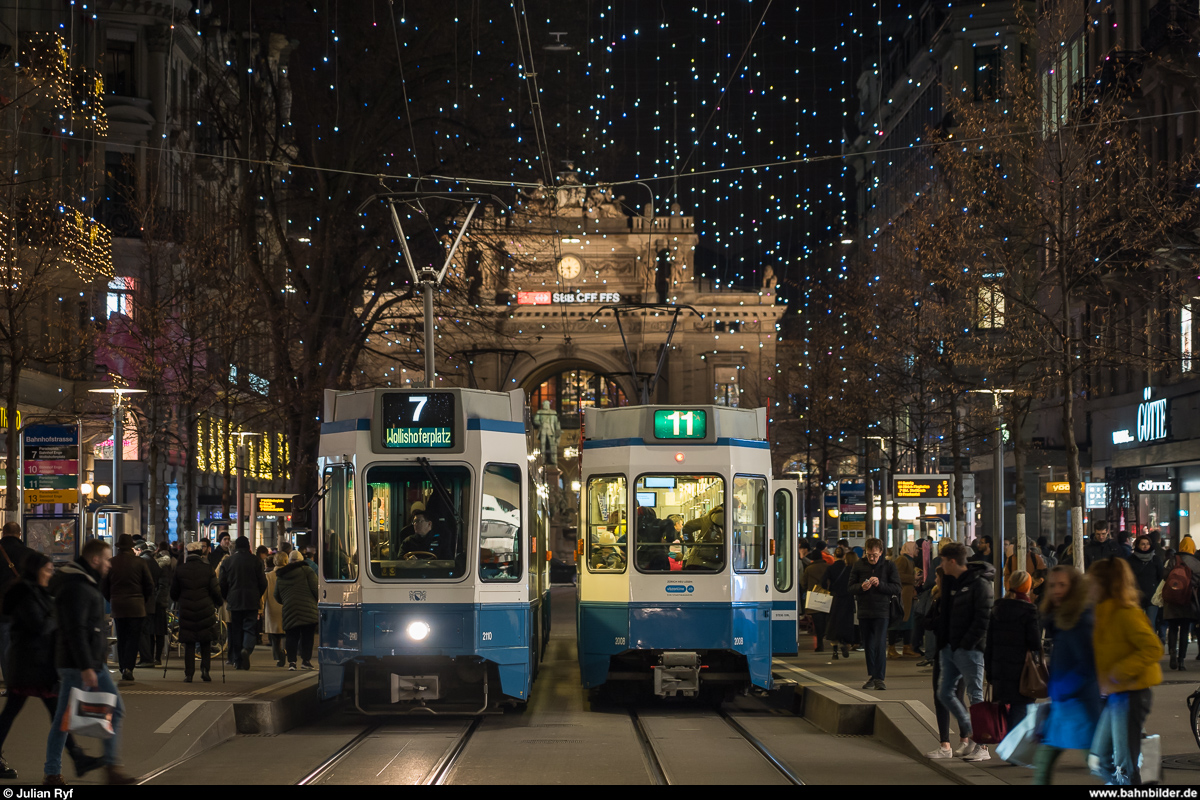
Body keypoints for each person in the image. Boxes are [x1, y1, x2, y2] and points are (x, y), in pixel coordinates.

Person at [44, 538, 135, 785]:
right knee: (65, 718)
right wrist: (86, 666)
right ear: (95, 559)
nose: (109, 564)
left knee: (107, 710)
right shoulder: (77, 585)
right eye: (106, 559)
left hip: (90, 662)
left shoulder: (82, 581)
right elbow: (75, 629)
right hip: (79, 664)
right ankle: (55, 772)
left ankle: (110, 767)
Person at [0, 553, 99, 781]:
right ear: (37, 570)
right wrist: (59, 619)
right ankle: (77, 757)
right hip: (29, 666)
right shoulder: (25, 593)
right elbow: (38, 625)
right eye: (47, 569)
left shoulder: (36, 592)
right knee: (28, 713)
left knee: (53, 712)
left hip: (38, 665)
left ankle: (77, 757)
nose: (51, 573)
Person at [1088, 557, 1163, 786]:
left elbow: (1153, 648)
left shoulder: (1126, 613)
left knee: (1122, 763)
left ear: (1106, 584)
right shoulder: (1101, 613)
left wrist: (1118, 672)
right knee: (1104, 759)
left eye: (1093, 581)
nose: (1089, 585)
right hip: (1117, 694)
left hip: (1131, 693)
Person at [1033, 565, 1102, 784]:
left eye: (1062, 584)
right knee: (1044, 764)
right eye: (1052, 585)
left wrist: (1063, 688)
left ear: (1075, 587)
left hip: (1079, 704)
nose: (1056, 590)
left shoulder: (1080, 620)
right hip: (1065, 705)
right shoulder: (1062, 618)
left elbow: (1087, 665)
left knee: (1100, 764)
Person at [936, 541, 995, 762]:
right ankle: (972, 731)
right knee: (945, 693)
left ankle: (982, 746)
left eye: (943, 560)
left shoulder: (979, 584)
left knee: (975, 695)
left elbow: (983, 618)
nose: (941, 564)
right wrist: (945, 643)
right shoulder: (953, 581)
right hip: (951, 647)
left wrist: (967, 643)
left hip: (969, 649)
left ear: (952, 561)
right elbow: (948, 614)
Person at [984, 570, 1041, 732]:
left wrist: (989, 670)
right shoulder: (1029, 610)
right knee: (1021, 709)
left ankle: (1009, 741)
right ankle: (1015, 746)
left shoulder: (998, 608)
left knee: (1007, 708)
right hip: (1022, 670)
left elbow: (989, 643)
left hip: (999, 669)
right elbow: (1035, 643)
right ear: (1027, 587)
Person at [923, 565, 964, 760]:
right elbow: (928, 621)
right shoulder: (938, 597)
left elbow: (935, 622)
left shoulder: (948, 599)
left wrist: (937, 621)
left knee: (947, 697)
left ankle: (954, 742)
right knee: (951, 696)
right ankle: (955, 742)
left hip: (952, 652)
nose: (936, 581)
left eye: (938, 578)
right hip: (952, 652)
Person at [849, 538, 901, 690]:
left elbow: (897, 587)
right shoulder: (858, 565)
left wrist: (880, 585)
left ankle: (879, 678)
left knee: (879, 644)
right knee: (869, 645)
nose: (872, 558)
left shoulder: (889, 566)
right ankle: (872, 675)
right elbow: (850, 587)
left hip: (882, 611)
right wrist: (861, 587)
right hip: (864, 611)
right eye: (869, 554)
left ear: (881, 553)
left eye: (875, 555)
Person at [101, 533, 154, 682]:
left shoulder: (111, 563)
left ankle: (122, 666)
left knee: (122, 637)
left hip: (118, 606)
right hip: (137, 606)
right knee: (133, 638)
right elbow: (149, 585)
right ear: (131, 546)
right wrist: (143, 599)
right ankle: (129, 668)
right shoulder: (140, 562)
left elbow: (104, 587)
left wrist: (112, 599)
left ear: (118, 547)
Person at [170, 541, 222, 682]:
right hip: (205, 609)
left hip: (186, 609)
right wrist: (219, 602)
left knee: (189, 643)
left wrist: (179, 599)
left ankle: (189, 673)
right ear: (200, 554)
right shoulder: (208, 569)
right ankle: (205, 670)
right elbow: (215, 591)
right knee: (205, 641)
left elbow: (173, 593)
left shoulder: (180, 570)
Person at [219, 536, 267, 671]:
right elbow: (263, 582)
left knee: (236, 629)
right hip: (251, 599)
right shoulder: (256, 561)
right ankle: (247, 649)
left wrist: (227, 596)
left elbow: (221, 583)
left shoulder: (228, 561)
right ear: (248, 546)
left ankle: (237, 660)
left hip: (234, 600)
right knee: (249, 627)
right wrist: (257, 595)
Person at [0, 522, 33, 682]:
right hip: (25, 609)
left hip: (2, 610)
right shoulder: (29, 554)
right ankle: (24, 679)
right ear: (19, 534)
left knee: (4, 645)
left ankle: (10, 681)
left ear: (3, 533)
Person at [275, 550, 319, 670]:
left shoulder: (281, 575)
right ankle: (305, 661)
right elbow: (316, 589)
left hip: (289, 609)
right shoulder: (307, 571)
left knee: (291, 636)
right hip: (308, 609)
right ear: (301, 560)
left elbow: (276, 595)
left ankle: (292, 663)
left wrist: (286, 601)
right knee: (307, 636)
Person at [1162, 536, 1200, 670]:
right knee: (1184, 630)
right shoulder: (1196, 563)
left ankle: (1172, 652)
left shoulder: (1172, 560)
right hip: (1187, 600)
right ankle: (1182, 660)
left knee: (1172, 627)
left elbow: (1165, 576)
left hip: (1172, 599)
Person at [821, 546, 855, 659]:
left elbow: (822, 582)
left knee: (834, 623)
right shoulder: (849, 569)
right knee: (846, 622)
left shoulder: (830, 568)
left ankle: (835, 652)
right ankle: (845, 644)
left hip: (835, 599)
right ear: (844, 556)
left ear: (834, 556)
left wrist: (829, 590)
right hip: (848, 598)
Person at [133, 539, 163, 667]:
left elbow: (145, 583)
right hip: (151, 602)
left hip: (145, 602)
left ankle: (146, 658)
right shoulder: (152, 560)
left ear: (139, 550)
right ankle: (148, 657)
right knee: (147, 631)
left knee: (142, 631)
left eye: (134, 551)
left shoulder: (143, 561)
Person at [1126, 534, 1163, 631]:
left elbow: (1161, 576)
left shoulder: (1155, 560)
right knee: (1136, 624)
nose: (1145, 546)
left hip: (1152, 597)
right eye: (1142, 544)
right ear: (1137, 545)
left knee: (1151, 624)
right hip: (1136, 596)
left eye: (1147, 544)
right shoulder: (1131, 560)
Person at [892, 540, 921, 658]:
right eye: (916, 548)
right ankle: (892, 648)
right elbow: (897, 575)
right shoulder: (902, 559)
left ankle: (907, 647)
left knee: (908, 622)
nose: (917, 550)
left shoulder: (910, 560)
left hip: (908, 595)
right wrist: (912, 577)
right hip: (902, 595)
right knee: (898, 621)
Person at [801, 541, 831, 652]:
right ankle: (826, 639)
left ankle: (820, 643)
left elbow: (803, 583)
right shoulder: (828, 567)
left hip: (814, 597)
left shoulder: (809, 569)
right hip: (826, 596)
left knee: (817, 622)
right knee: (825, 620)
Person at [264, 551, 288, 666]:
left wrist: (260, 608)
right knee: (287, 632)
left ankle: (278, 655)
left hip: (272, 608)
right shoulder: (289, 574)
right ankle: (285, 651)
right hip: (287, 607)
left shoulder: (269, 576)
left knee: (275, 636)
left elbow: (263, 594)